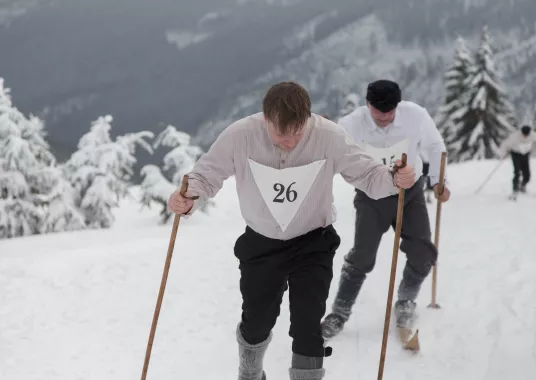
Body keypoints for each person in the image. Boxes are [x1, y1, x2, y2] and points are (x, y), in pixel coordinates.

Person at [167, 81, 416, 380]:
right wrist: (188, 196)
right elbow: (206, 175)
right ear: (265, 118)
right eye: (280, 134)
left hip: (313, 242)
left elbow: (368, 175)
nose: (289, 142)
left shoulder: (329, 135)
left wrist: (395, 178)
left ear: (308, 119)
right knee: (257, 322)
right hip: (261, 244)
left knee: (308, 325)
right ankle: (250, 372)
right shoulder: (240, 135)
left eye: (297, 132)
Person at [320, 79, 450, 339]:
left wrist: (438, 181)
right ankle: (339, 312)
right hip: (371, 197)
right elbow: (328, 150)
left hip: (409, 193)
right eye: (379, 113)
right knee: (362, 256)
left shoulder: (415, 116)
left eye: (390, 112)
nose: (385, 118)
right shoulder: (352, 124)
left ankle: (406, 300)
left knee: (423, 252)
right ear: (368, 104)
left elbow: (435, 146)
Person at [500, 125, 536, 195]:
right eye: (524, 134)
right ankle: (515, 189)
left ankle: (522, 186)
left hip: (525, 154)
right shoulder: (515, 136)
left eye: (527, 134)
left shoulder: (533, 135)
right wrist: (504, 154)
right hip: (515, 153)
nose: (525, 136)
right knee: (517, 172)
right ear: (521, 132)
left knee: (527, 174)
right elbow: (505, 144)